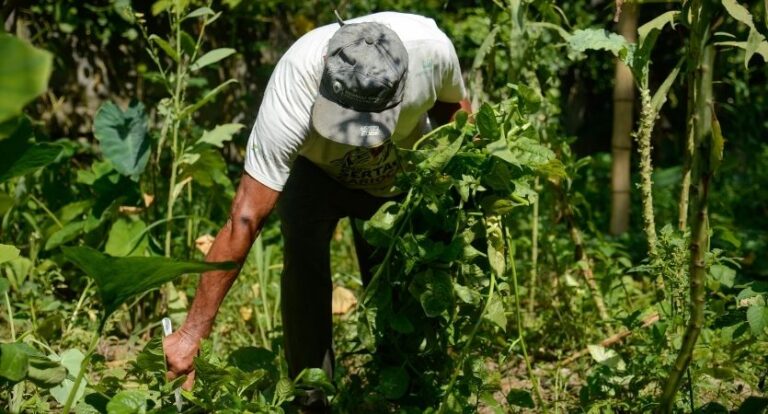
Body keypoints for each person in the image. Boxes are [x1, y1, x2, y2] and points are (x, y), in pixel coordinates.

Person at [163, 11, 470, 411]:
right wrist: (191, 335)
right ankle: (309, 396)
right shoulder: (294, 85)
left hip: (398, 173)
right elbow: (245, 217)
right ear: (326, 74)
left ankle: (403, 388)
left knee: (395, 278)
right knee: (304, 267)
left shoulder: (432, 52)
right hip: (315, 172)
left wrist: (462, 186)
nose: (360, 140)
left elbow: (458, 115)